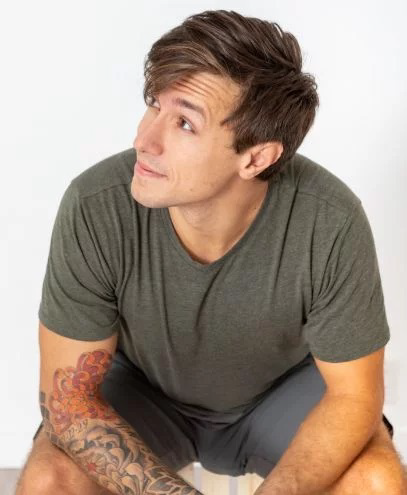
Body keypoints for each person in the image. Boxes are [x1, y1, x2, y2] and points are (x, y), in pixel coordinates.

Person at [16, 9, 406, 495]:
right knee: (49, 479)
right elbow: (69, 401)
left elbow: (354, 397)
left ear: (256, 157)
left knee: (375, 480)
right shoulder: (95, 204)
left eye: (184, 123)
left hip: (278, 397)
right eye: (154, 105)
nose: (143, 140)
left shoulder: (330, 219)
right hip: (144, 395)